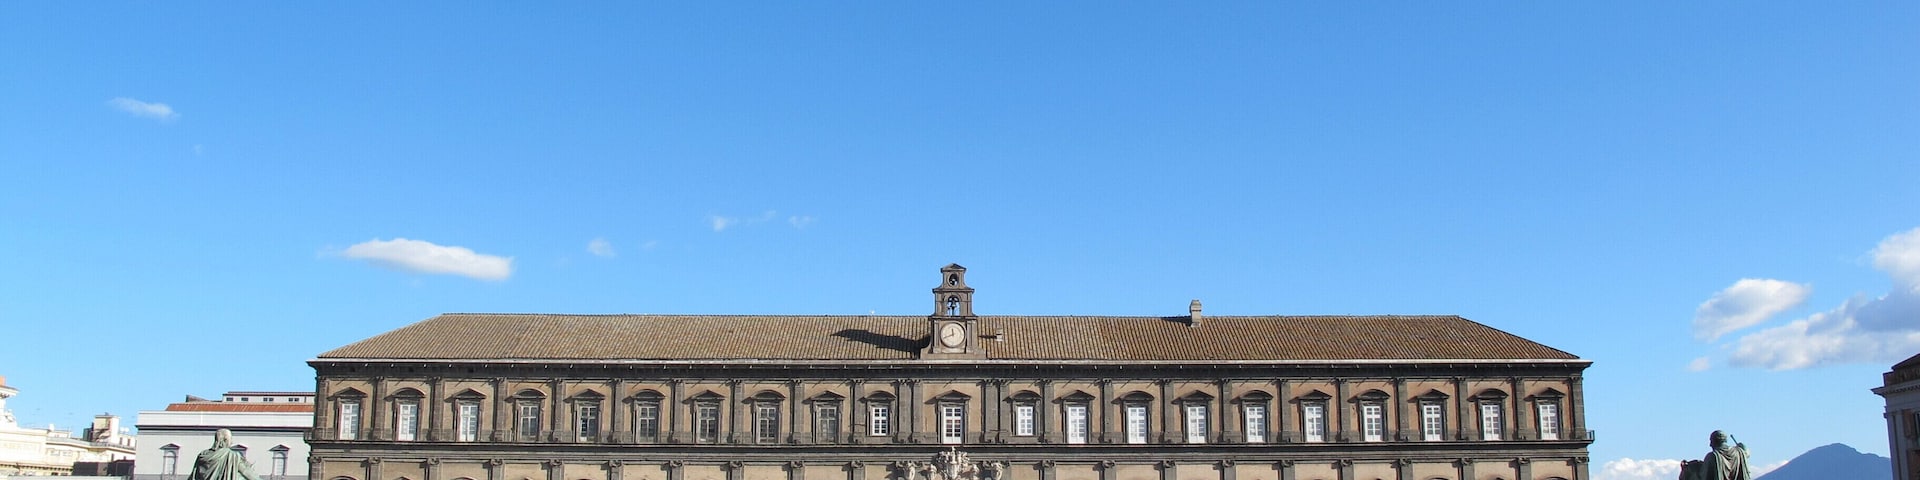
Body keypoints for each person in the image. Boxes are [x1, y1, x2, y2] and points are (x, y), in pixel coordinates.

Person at [190, 429, 261, 480]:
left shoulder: (202, 455)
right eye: (230, 439)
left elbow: (194, 475)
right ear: (225, 440)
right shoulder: (232, 455)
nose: (232, 442)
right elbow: (246, 472)